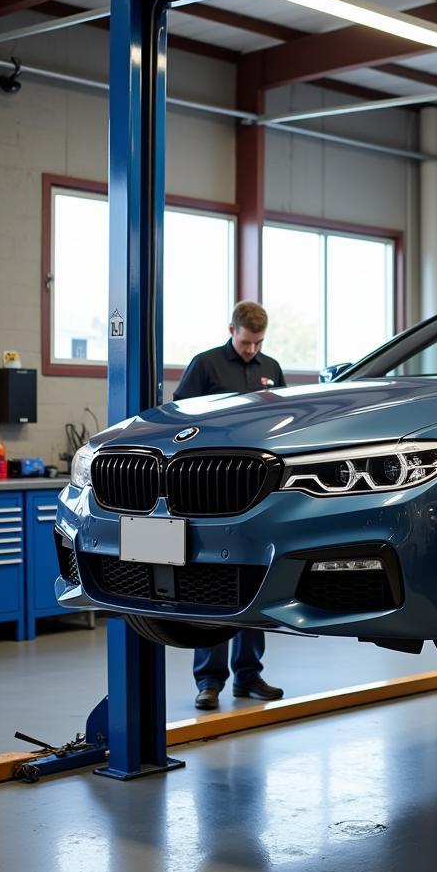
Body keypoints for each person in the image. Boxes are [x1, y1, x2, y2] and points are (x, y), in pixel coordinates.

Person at [175, 300, 287, 711]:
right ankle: (208, 682)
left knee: (254, 579)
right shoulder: (204, 365)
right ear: (231, 330)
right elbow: (180, 415)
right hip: (209, 492)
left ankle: (249, 675)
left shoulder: (271, 368)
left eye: (257, 343)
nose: (251, 350)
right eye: (245, 342)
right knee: (212, 584)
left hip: (256, 492)